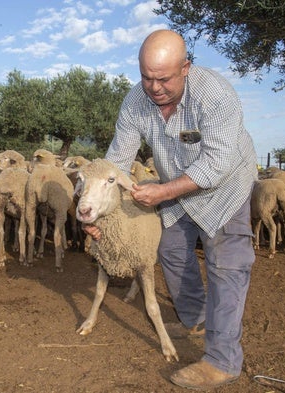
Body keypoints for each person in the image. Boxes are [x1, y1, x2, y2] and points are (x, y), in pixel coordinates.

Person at [83, 29, 258, 390]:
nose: (154, 87)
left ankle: (222, 361)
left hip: (226, 187)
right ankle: (194, 318)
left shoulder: (216, 95)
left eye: (163, 78)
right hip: (175, 186)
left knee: (226, 264)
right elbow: (116, 164)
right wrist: (96, 211)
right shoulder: (135, 102)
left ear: (186, 68)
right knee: (172, 250)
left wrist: (162, 191)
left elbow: (215, 165)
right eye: (146, 77)